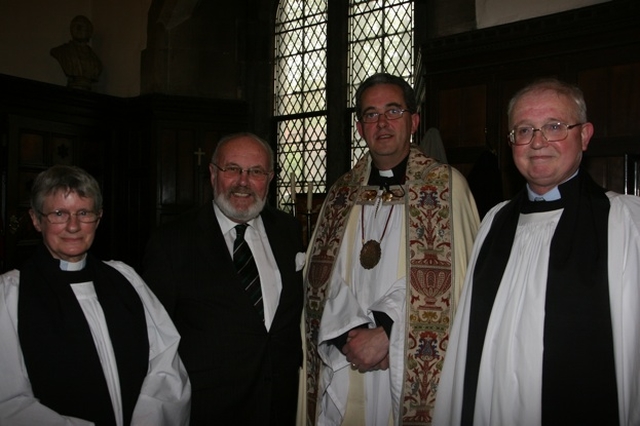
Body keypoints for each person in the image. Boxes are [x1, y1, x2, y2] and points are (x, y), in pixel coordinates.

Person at [434, 78, 640, 425]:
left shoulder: (625, 222)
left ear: (585, 135)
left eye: (554, 126)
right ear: (512, 142)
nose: (538, 142)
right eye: (524, 130)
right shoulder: (494, 222)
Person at [301, 73, 480, 425]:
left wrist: (386, 333)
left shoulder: (447, 188)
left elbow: (461, 282)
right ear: (359, 127)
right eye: (370, 114)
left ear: (414, 121)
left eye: (393, 111)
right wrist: (347, 339)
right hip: (346, 358)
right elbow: (320, 279)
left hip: (409, 360)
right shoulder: (340, 194)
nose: (382, 123)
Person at [0, 165, 191, 425]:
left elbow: (165, 364)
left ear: (98, 218)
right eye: (59, 214)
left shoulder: (126, 280)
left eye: (84, 213)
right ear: (36, 219)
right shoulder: (10, 295)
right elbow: (8, 400)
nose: (73, 226)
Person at [142, 132, 306, 425]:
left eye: (255, 171)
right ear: (213, 174)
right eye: (232, 169)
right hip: (210, 408)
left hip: (280, 404)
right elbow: (154, 338)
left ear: (269, 179)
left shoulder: (288, 231)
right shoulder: (172, 242)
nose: (243, 181)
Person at [50, 15, 103, 90]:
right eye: (74, 26)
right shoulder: (62, 51)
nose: (78, 29)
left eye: (81, 26)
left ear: (89, 31)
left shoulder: (96, 61)